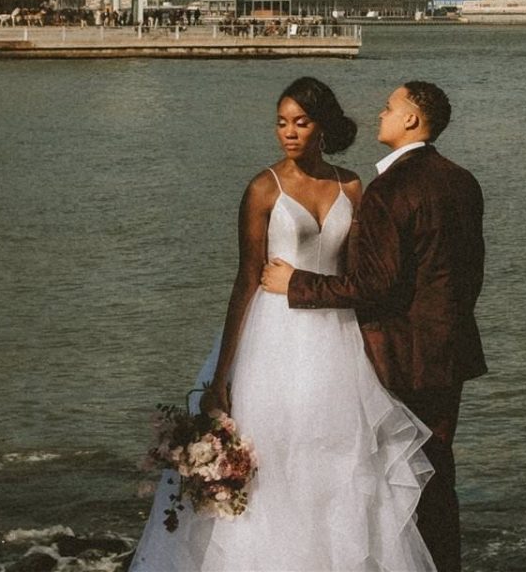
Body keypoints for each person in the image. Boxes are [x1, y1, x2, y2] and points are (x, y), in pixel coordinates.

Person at [131, 77, 436, 572]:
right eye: (281, 123)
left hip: (336, 341)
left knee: (335, 459)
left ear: (323, 128)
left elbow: (363, 276)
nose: (288, 133)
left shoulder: (352, 186)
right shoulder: (261, 189)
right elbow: (244, 281)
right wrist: (220, 376)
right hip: (272, 340)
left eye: (301, 122)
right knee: (272, 458)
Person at [261, 82, 484, 572]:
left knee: (394, 474)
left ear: (411, 121)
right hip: (450, 352)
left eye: (388, 107)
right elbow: (470, 271)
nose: (380, 114)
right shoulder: (462, 180)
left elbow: (373, 285)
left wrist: (297, 282)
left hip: (398, 356)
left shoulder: (389, 189)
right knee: (436, 473)